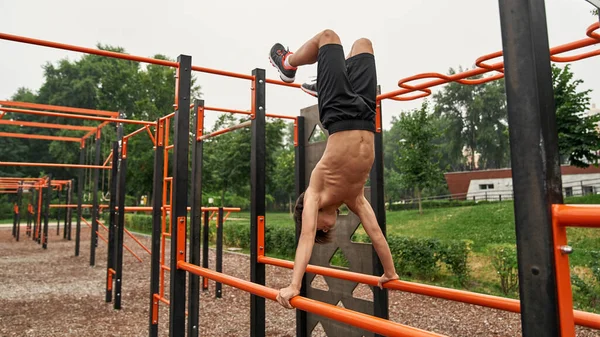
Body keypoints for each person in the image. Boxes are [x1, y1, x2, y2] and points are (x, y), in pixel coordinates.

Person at [268, 29, 399, 309]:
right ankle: (324, 80)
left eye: (322, 231)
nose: (328, 229)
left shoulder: (315, 192)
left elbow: (305, 238)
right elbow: (376, 232)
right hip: (365, 113)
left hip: (338, 113)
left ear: (310, 217)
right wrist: (389, 272)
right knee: (364, 43)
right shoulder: (355, 198)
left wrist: (294, 285)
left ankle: (287, 63)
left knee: (328, 36)